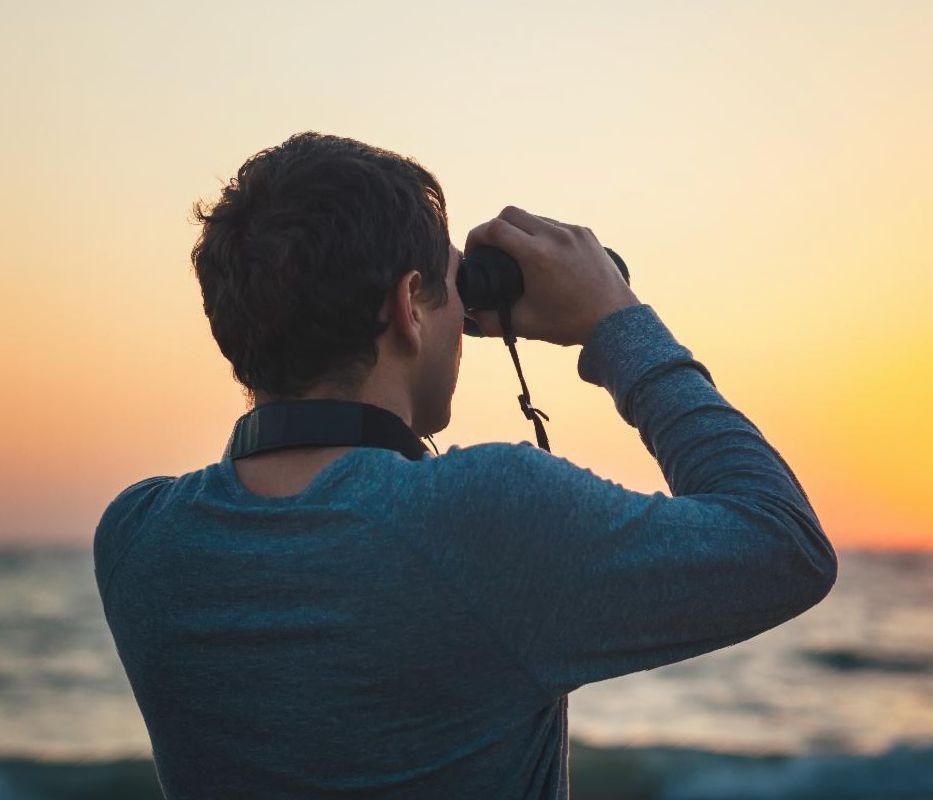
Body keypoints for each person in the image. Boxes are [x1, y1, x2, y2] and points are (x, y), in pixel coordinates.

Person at [93, 131, 838, 799]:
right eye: (452, 287)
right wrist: (618, 323)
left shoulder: (139, 541)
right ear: (408, 305)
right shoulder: (484, 515)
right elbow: (784, 543)